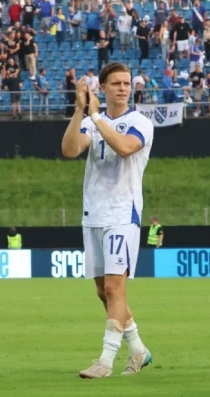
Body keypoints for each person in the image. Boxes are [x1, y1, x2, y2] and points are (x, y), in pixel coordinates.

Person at [61, 62, 154, 378]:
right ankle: (139, 349)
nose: (123, 88)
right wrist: (80, 112)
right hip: (93, 214)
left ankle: (106, 360)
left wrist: (96, 116)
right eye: (116, 83)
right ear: (103, 87)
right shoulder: (91, 122)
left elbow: (126, 148)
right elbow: (70, 150)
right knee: (104, 292)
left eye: (127, 83)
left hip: (121, 214)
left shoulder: (140, 122)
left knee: (116, 288)